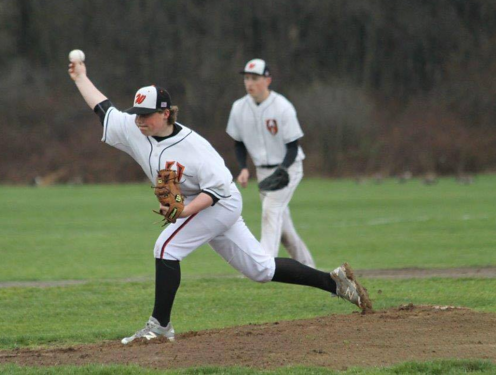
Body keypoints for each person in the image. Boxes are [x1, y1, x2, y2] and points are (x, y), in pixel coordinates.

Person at [67, 56, 372, 345]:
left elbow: (214, 192)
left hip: (219, 202)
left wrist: (184, 210)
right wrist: (81, 77)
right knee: (261, 270)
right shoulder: (136, 130)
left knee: (166, 246)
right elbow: (103, 109)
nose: (138, 120)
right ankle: (336, 283)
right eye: (136, 114)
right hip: (204, 203)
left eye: (145, 115)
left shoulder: (195, 148)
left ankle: (160, 326)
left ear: (165, 113)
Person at [226, 59, 315, 268]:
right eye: (247, 78)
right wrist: (244, 168)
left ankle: (263, 265)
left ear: (268, 80)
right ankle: (312, 272)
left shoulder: (282, 107)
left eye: (255, 78)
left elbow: (293, 146)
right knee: (285, 232)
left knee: (270, 209)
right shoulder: (239, 107)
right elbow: (238, 143)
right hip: (263, 172)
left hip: (289, 167)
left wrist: (283, 169)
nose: (249, 83)